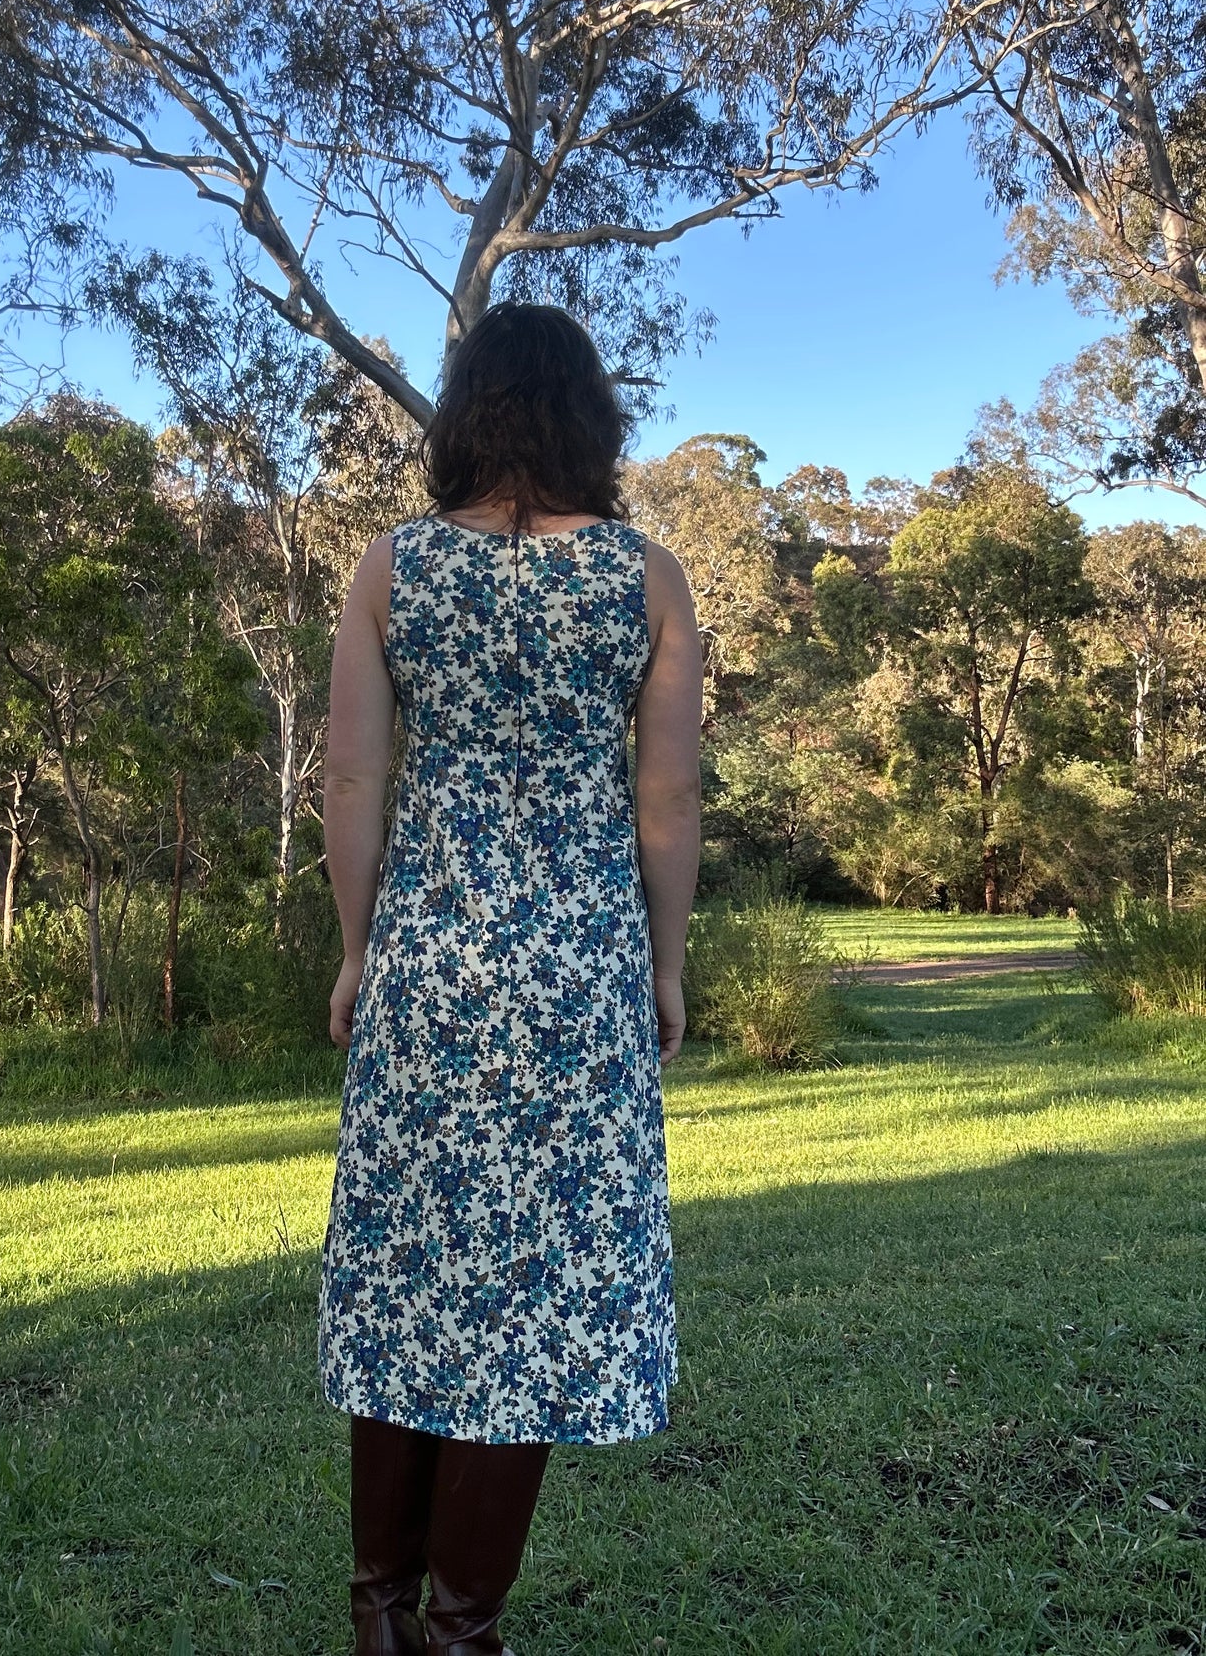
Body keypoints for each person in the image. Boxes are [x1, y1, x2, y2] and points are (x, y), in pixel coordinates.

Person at [318, 301, 704, 1655]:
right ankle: (458, 1630)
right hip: (576, 970)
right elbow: (664, 797)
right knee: (537, 1294)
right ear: (587, 419)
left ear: (464, 415)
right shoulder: (645, 578)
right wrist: (663, 963)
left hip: (430, 959)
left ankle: (379, 1611)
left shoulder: (391, 571)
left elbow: (355, 777)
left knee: (407, 1276)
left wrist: (362, 947)